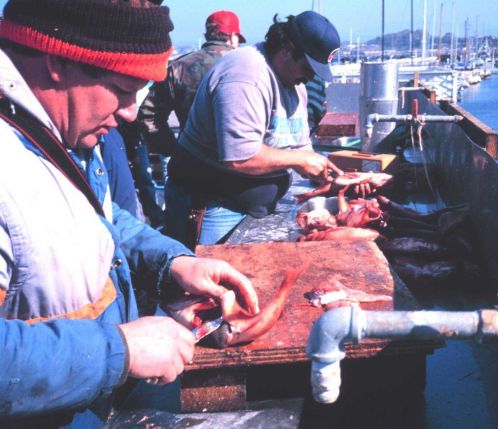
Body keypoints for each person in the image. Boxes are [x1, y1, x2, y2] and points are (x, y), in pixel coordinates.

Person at [0, 1, 259, 427]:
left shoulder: (58, 126)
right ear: (56, 62)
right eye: (122, 88)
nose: (131, 112)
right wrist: (120, 350)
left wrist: (172, 262)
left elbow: (95, 218)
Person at [165, 10, 344, 248]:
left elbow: (299, 146)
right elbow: (239, 157)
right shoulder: (246, 75)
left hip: (253, 207)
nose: (311, 76)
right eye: (308, 66)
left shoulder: (294, 83)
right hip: (213, 206)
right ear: (288, 49)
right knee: (209, 280)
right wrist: (300, 160)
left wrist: (325, 174)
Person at [138, 10, 246, 156]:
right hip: (241, 162)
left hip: (191, 160)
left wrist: (172, 150)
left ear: (207, 35)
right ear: (233, 37)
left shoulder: (178, 67)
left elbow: (148, 115)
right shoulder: (246, 66)